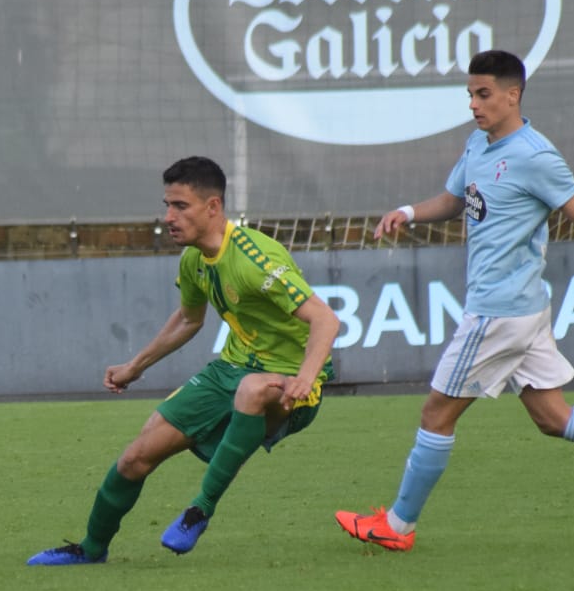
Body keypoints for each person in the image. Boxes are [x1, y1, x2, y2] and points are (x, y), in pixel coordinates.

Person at [334, 49, 574, 551]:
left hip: (498, 312)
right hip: (522, 310)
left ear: (513, 95)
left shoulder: (535, 155)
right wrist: (407, 211)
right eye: (469, 95)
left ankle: (397, 527)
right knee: (554, 417)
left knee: (435, 414)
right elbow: (456, 199)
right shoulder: (478, 145)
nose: (474, 104)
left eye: (483, 95)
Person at [28, 156, 340, 565]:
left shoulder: (255, 258)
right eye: (167, 205)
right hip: (229, 369)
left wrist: (304, 377)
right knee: (136, 456)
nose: (168, 217)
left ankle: (199, 510)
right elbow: (189, 319)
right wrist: (134, 367)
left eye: (180, 206)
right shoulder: (193, 259)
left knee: (251, 389)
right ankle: (91, 548)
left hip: (290, 381)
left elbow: (325, 319)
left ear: (213, 207)